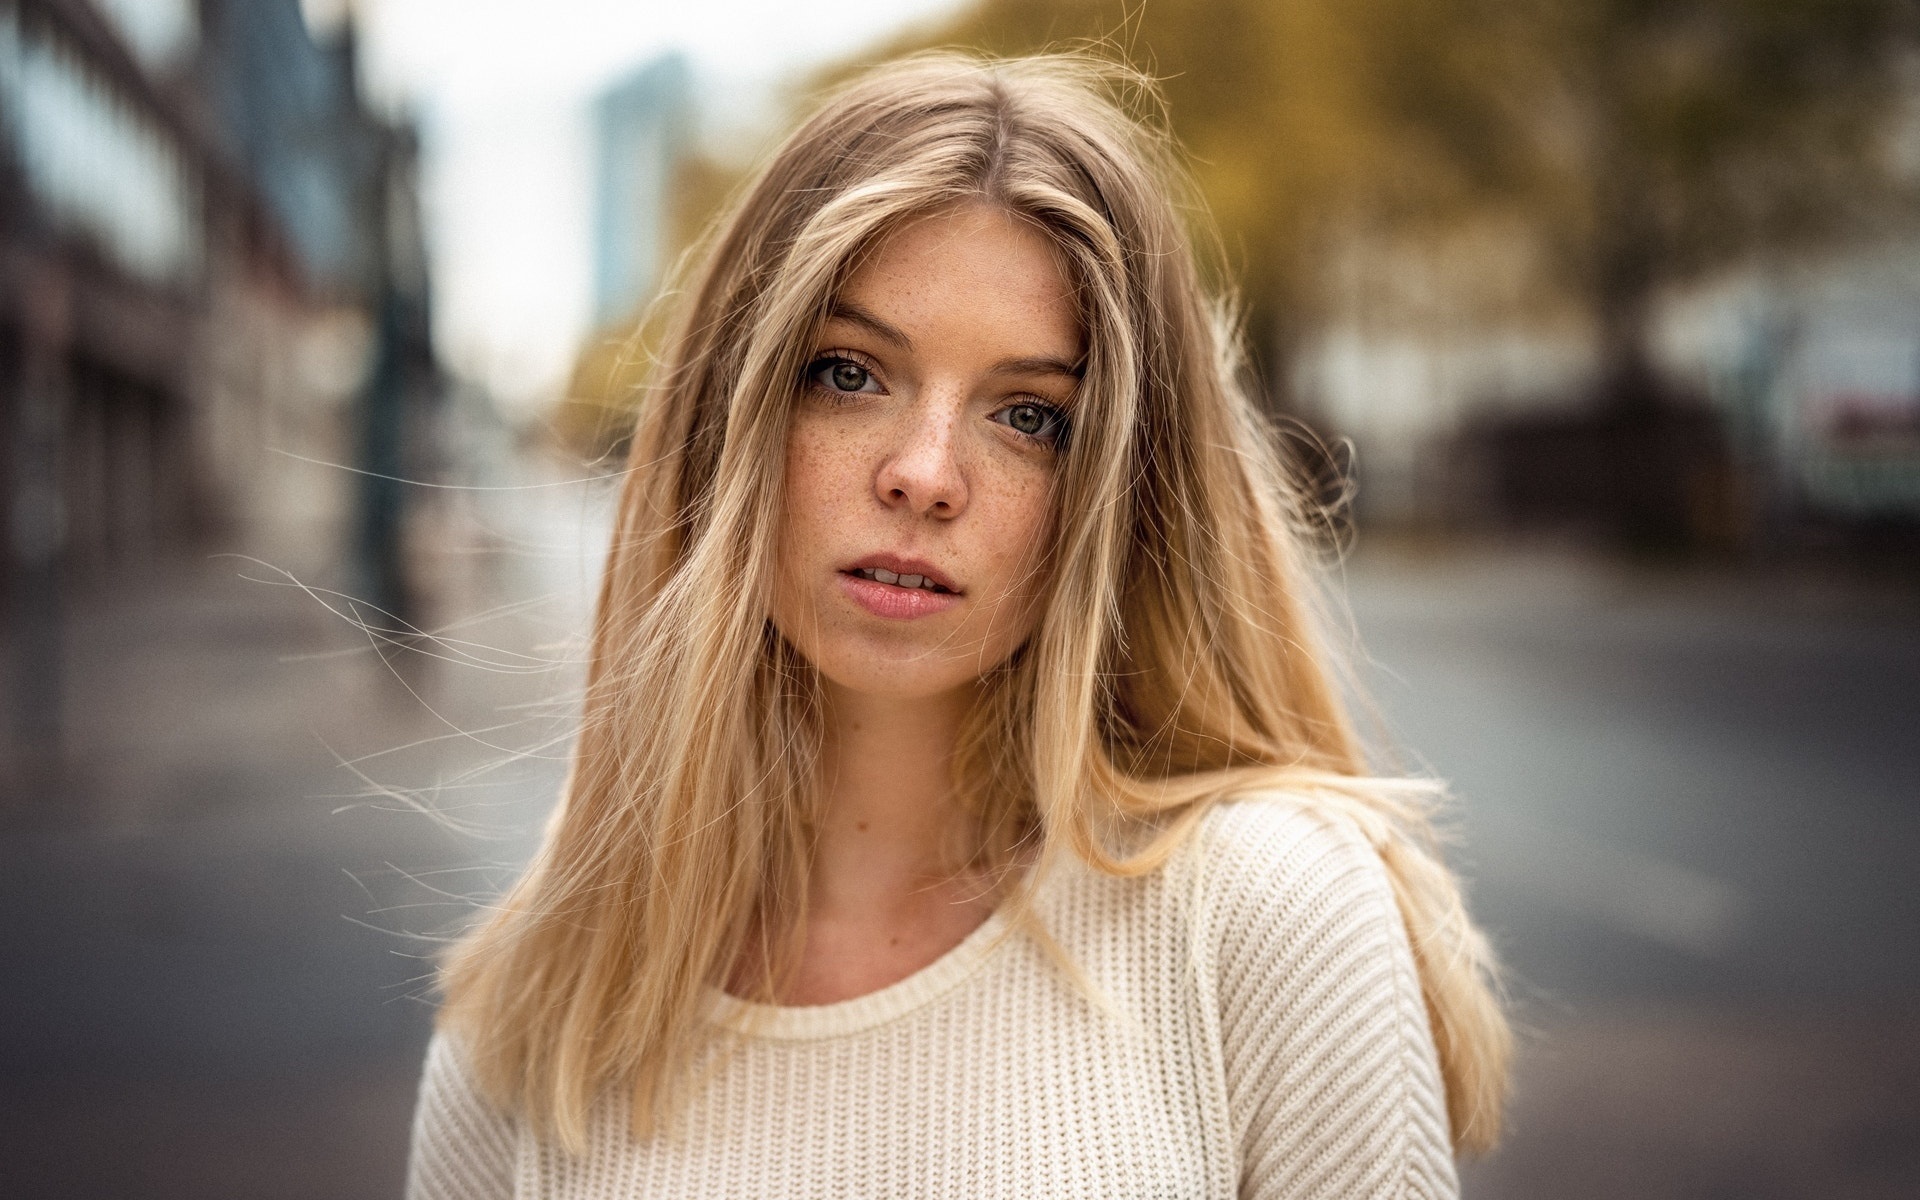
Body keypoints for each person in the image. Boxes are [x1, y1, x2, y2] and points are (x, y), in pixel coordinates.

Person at [406, 52, 1510, 1199]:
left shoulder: (1269, 910)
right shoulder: (533, 1027)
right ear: (730, 419)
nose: (926, 475)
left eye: (1029, 414)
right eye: (848, 373)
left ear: (1119, 492)